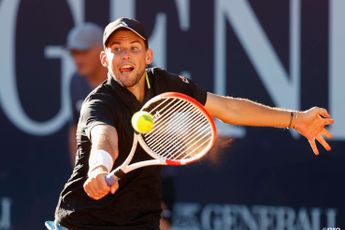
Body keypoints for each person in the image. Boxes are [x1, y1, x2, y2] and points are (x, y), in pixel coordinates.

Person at [49, 17, 334, 230]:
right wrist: (99, 169)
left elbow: (227, 107)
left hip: (140, 221)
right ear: (105, 58)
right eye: (116, 48)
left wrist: (295, 120)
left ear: (147, 56)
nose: (125, 55)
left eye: (134, 48)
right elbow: (104, 139)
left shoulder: (163, 83)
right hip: (83, 223)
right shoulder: (99, 102)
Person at [66, 23, 108, 165]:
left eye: (84, 52)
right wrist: (78, 171)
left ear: (102, 50)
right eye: (74, 53)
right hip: (101, 176)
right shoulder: (75, 81)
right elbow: (76, 128)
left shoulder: (126, 77)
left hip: (150, 177)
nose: (78, 59)